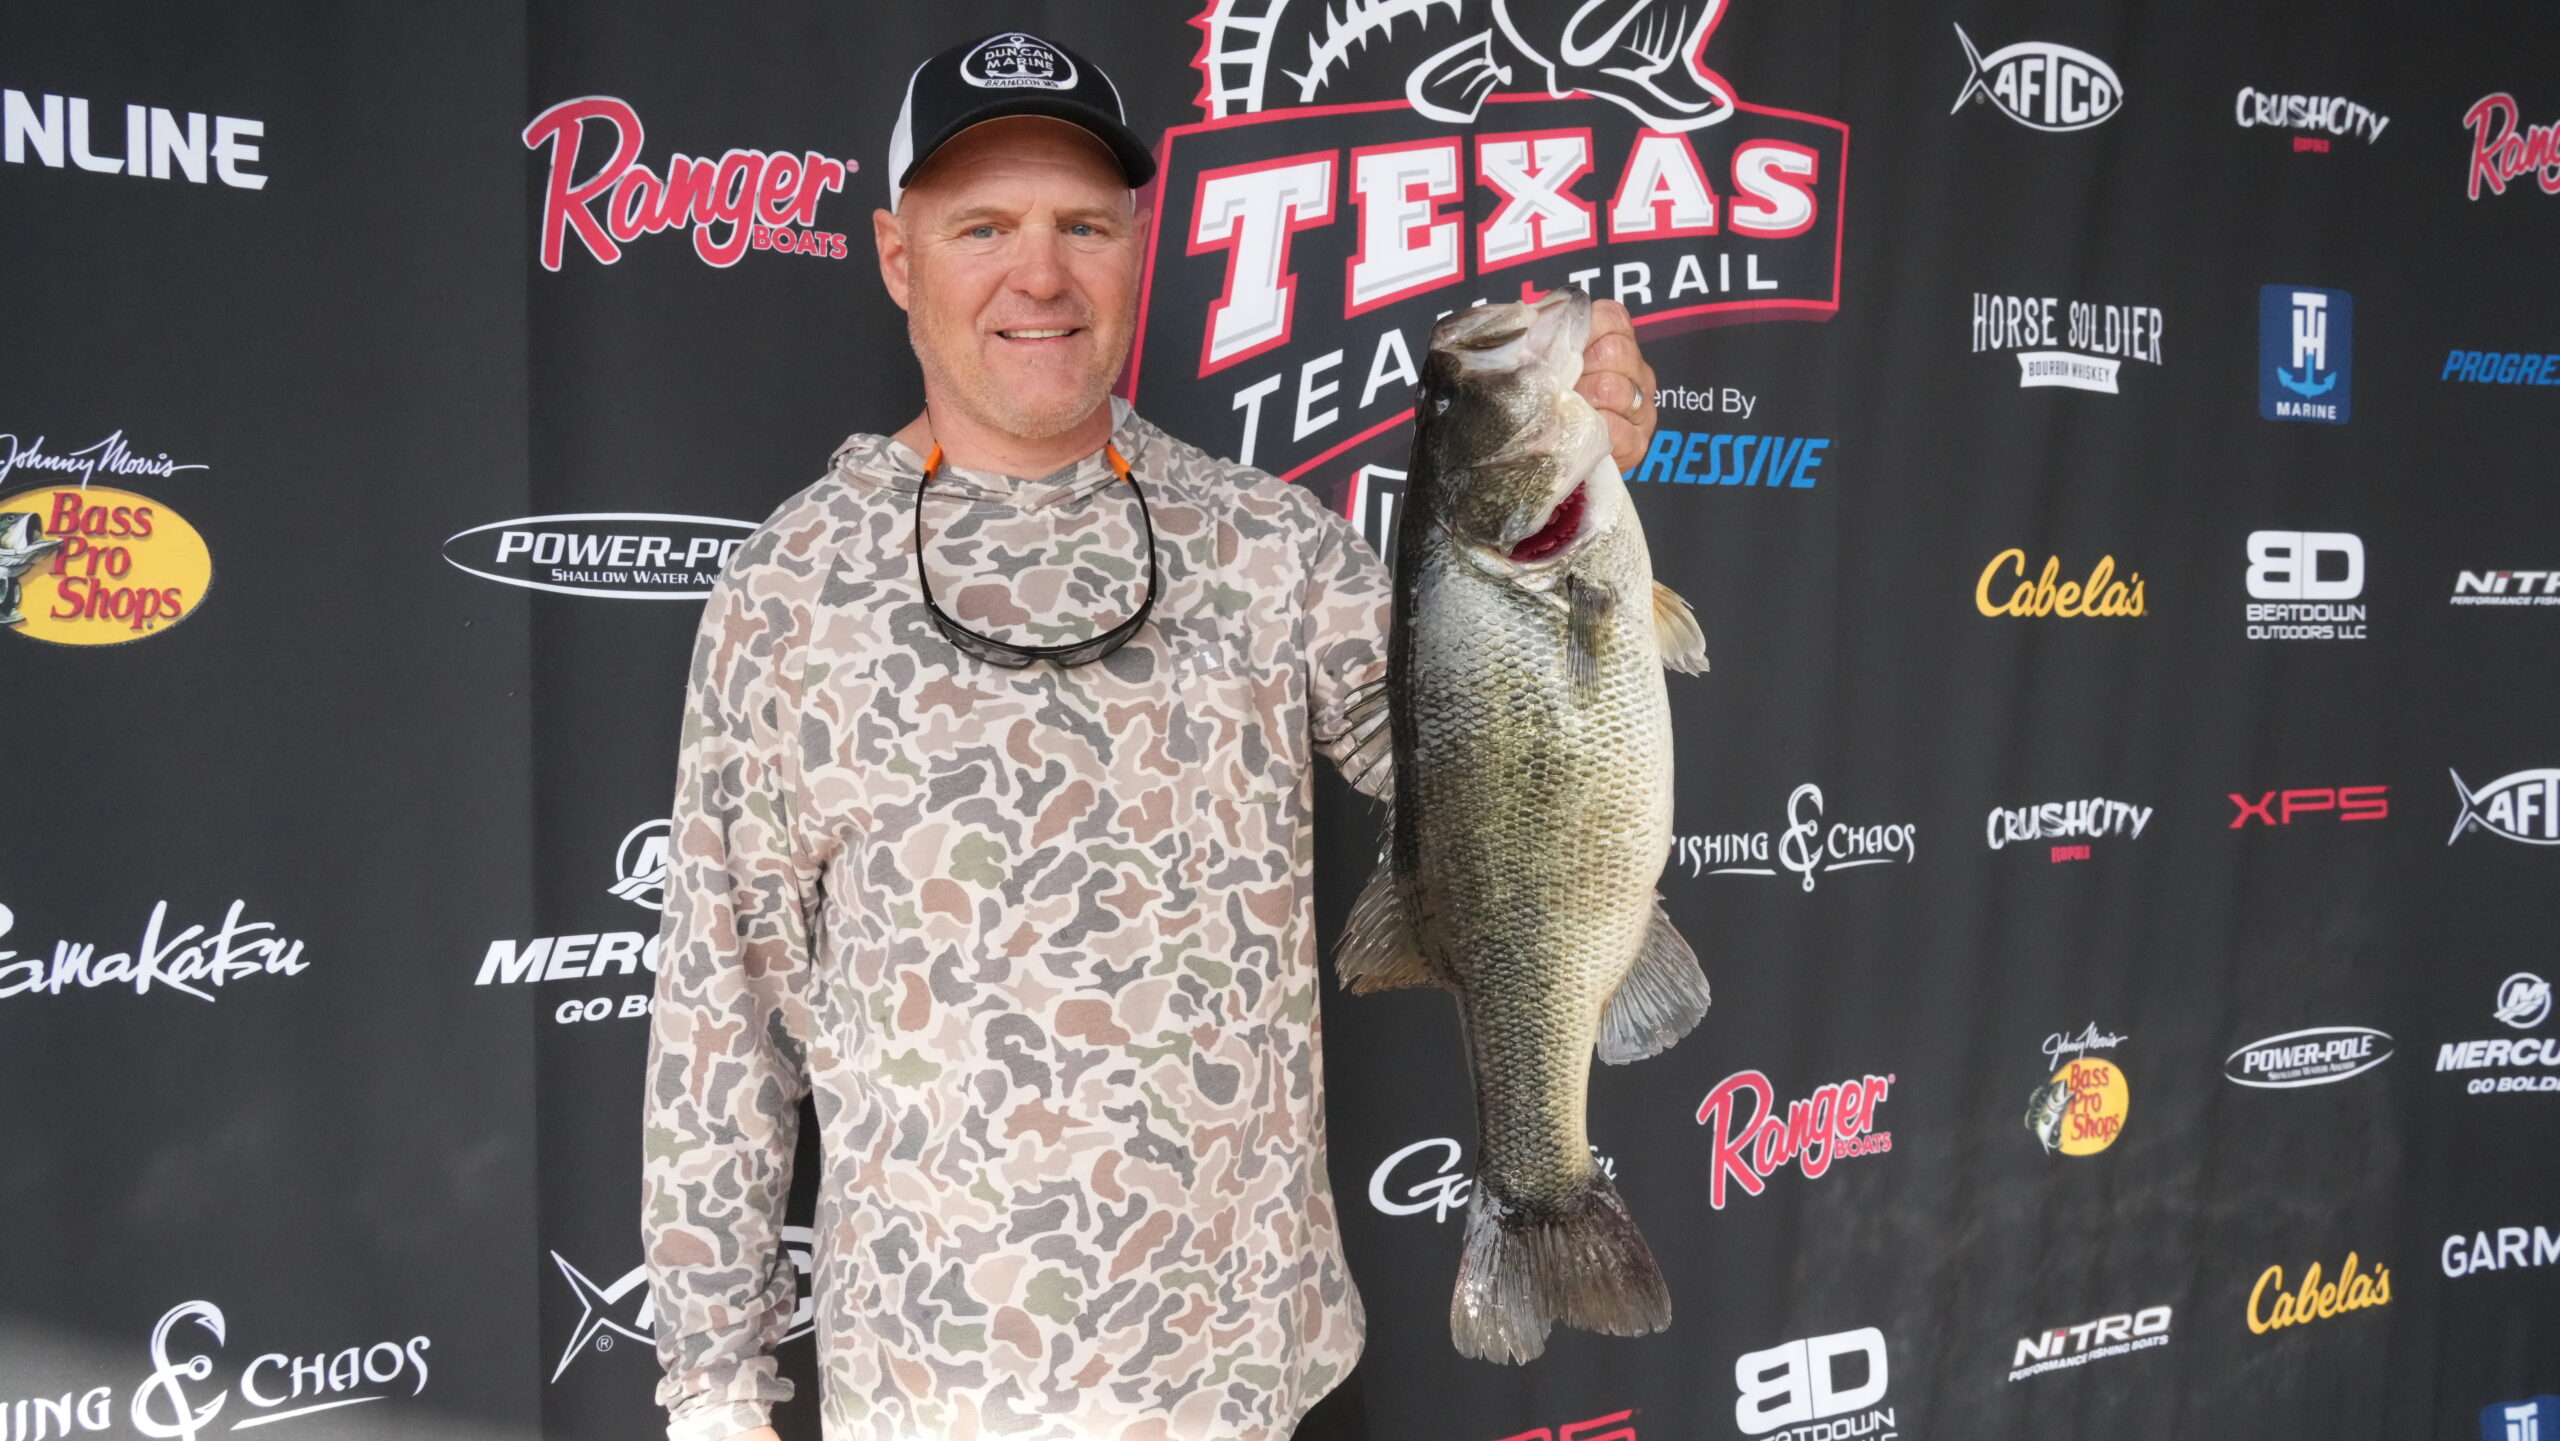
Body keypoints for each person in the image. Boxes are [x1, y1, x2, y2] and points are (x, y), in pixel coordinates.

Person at [641, 30, 1660, 1441]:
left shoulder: (1270, 545)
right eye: (983, 227)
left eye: (1082, 225)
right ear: (896, 257)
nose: (1039, 274)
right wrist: (713, 1385)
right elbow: (723, 999)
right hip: (937, 1403)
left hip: (1260, 1383)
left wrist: (1576, 485)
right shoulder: (788, 588)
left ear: (1138, 246)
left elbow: (1487, 775)